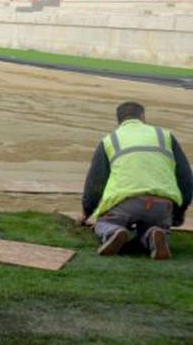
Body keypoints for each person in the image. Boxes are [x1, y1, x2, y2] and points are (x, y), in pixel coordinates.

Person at [80, 101, 192, 259]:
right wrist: (180, 210)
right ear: (143, 117)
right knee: (157, 227)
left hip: (127, 203)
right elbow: (185, 176)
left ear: (119, 121)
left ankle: (113, 231)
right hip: (162, 204)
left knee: (104, 223)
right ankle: (154, 234)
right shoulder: (164, 136)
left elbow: (96, 181)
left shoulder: (110, 140)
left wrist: (87, 210)